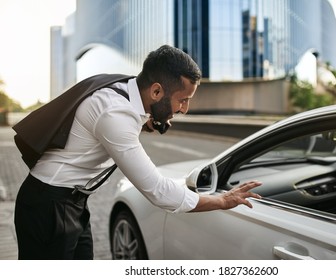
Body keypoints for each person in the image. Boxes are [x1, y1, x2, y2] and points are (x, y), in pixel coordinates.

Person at [13, 45, 261, 260]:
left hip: (72, 203)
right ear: (156, 92)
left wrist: (147, 119)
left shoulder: (124, 88)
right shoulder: (114, 113)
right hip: (47, 206)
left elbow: (123, 114)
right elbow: (159, 191)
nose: (185, 109)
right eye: (182, 99)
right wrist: (221, 200)